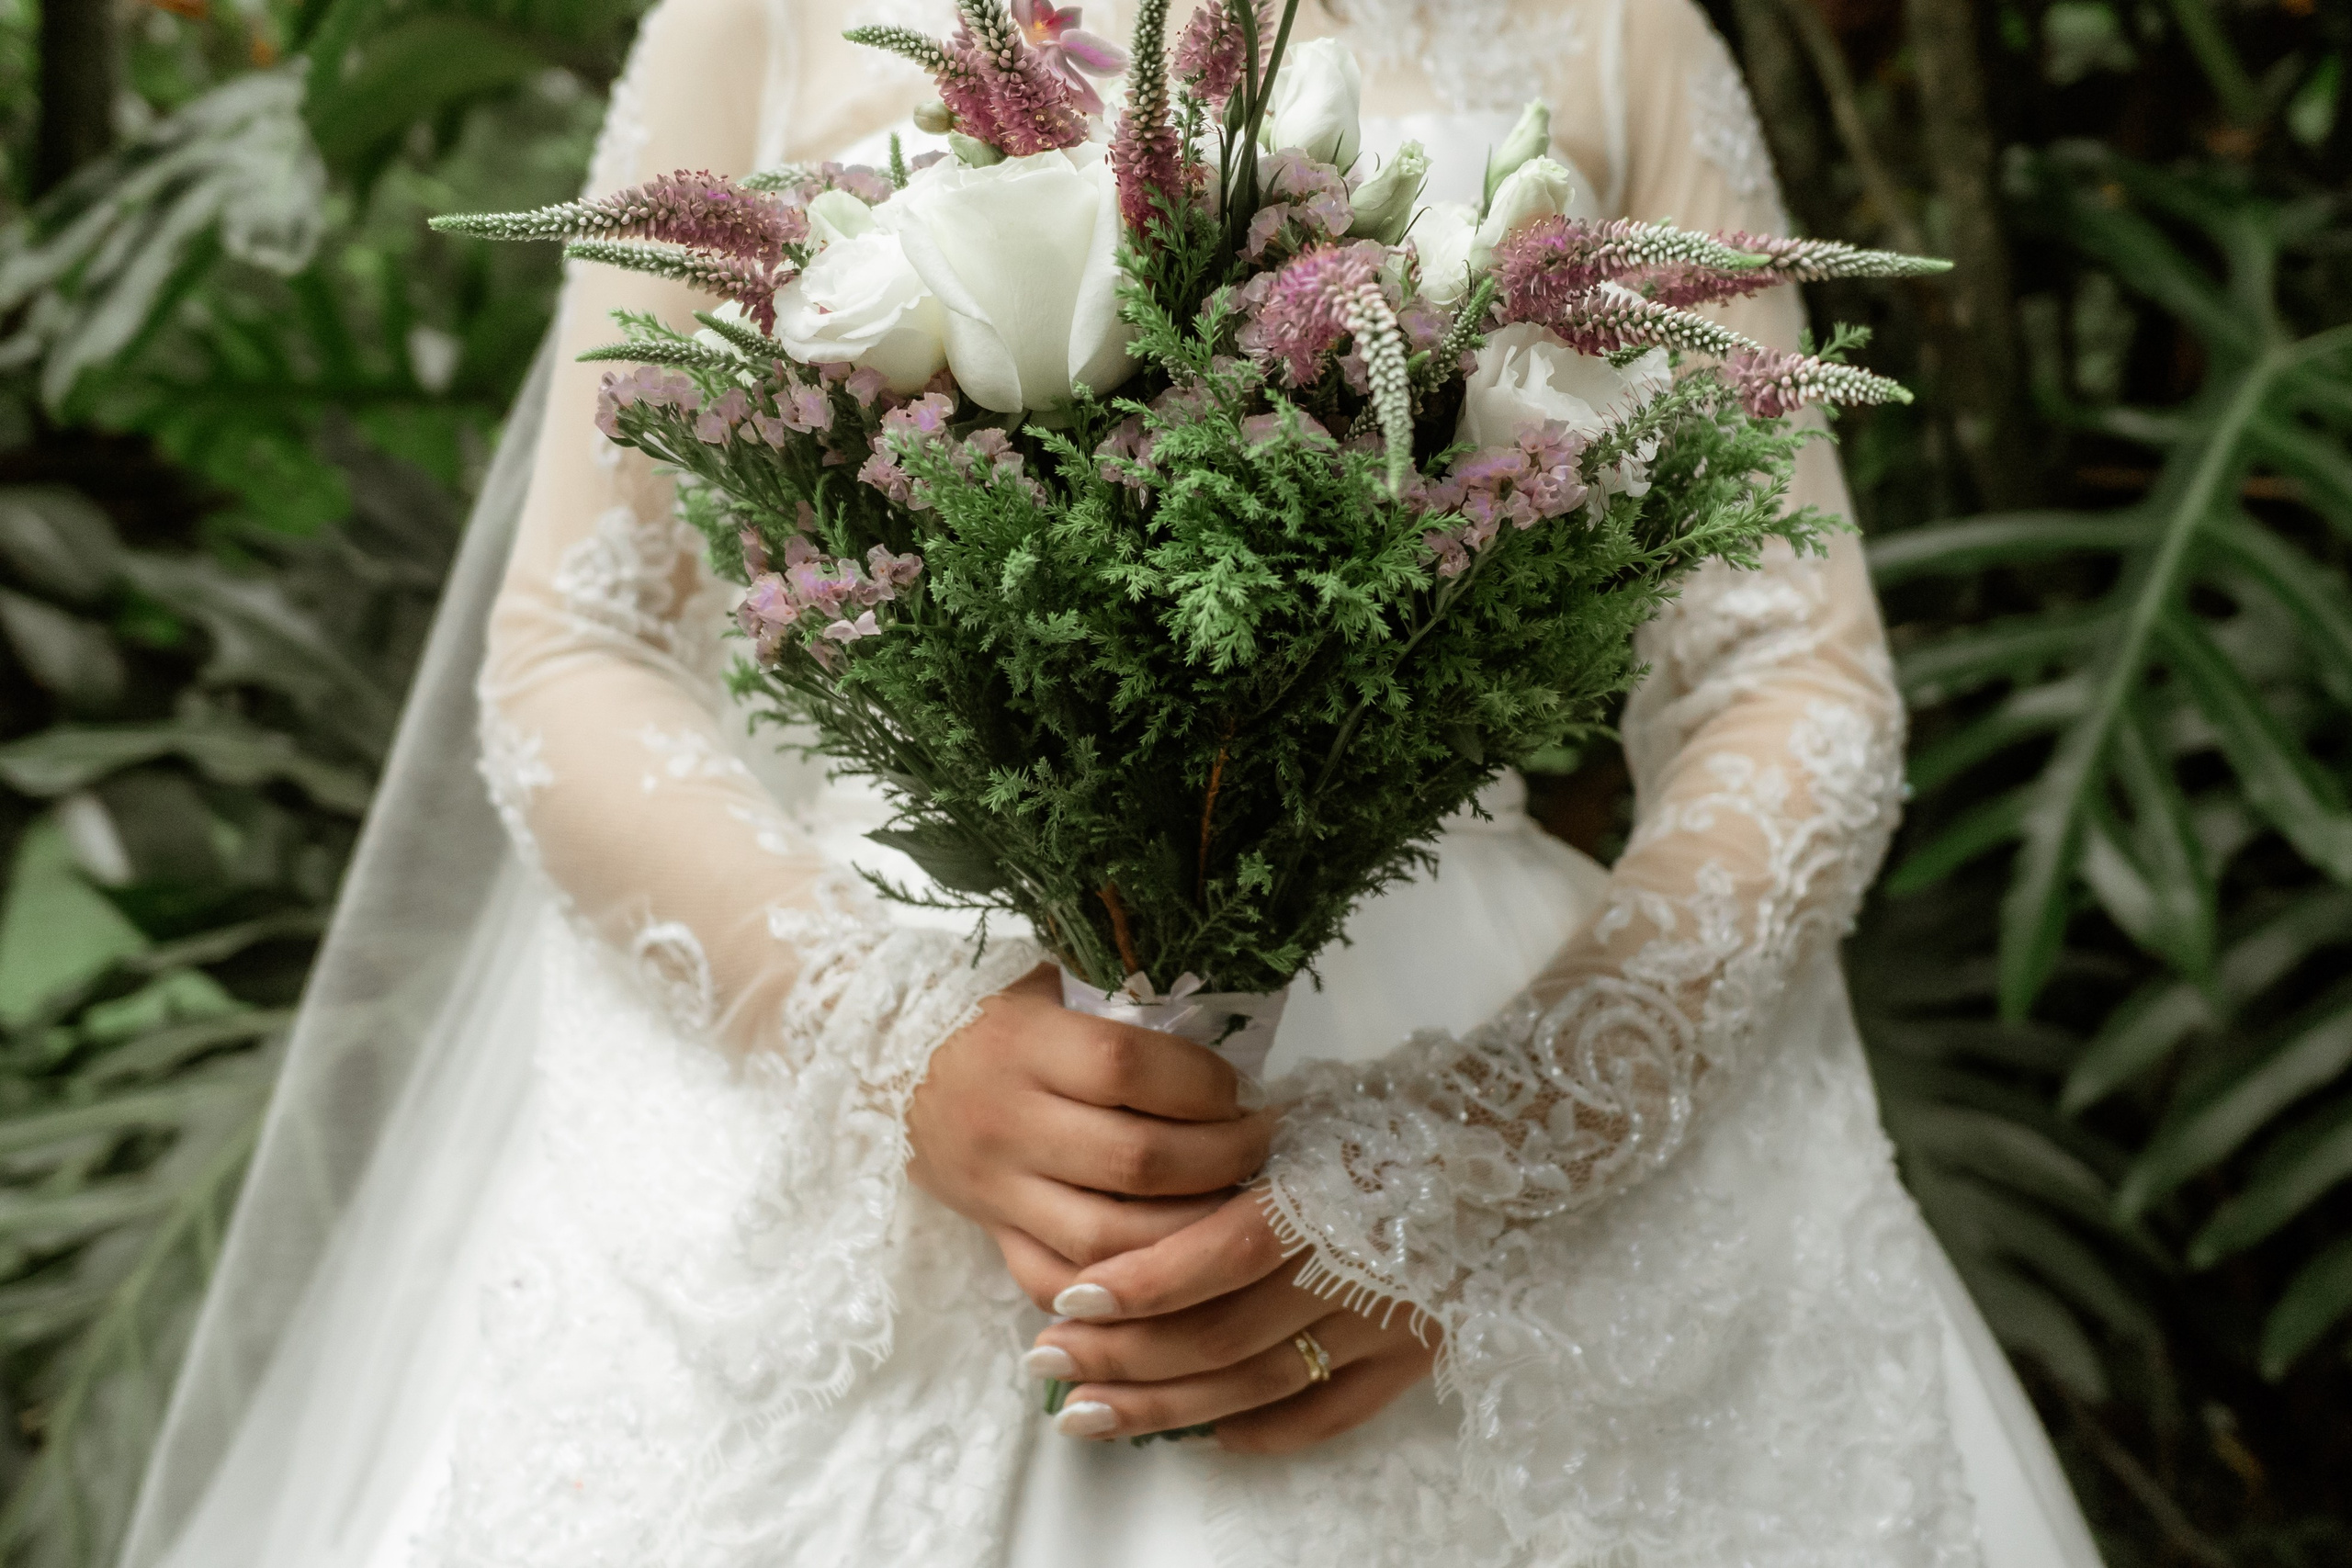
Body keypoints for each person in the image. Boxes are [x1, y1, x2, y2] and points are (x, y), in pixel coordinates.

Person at [118, 1, 2112, 1564]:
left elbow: (1787, 667)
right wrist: (885, 1032)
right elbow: (575, 646)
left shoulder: (1611, 34)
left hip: (1450, 1039)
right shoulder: (762, 20)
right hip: (875, 1064)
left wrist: (1493, 1153)